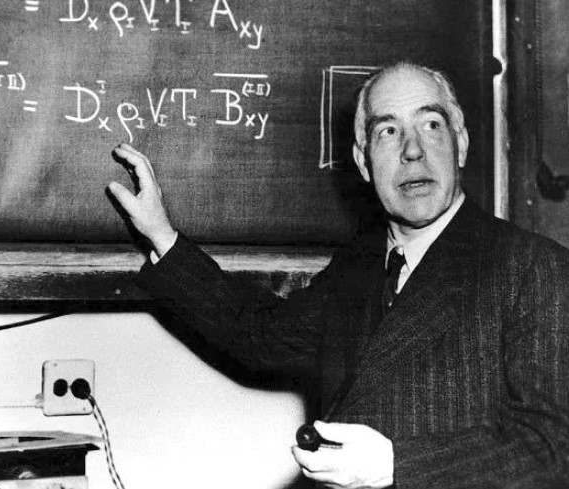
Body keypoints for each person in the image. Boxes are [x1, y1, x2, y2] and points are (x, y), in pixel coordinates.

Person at [106, 61, 569, 488]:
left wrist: (396, 465)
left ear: (460, 143)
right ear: (363, 161)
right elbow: (260, 336)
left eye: (430, 125)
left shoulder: (532, 268)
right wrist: (161, 234)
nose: (412, 150)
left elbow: (554, 449)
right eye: (388, 131)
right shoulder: (359, 268)